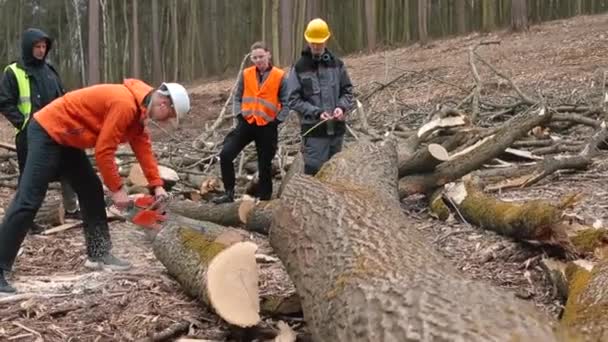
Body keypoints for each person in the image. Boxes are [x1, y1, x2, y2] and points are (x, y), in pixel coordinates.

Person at [0, 79, 191, 293]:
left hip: (67, 137)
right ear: (165, 105)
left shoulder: (138, 113)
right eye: (171, 118)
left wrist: (157, 185)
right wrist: (117, 189)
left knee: (90, 189)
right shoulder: (125, 104)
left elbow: (143, 148)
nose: (166, 122)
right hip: (48, 131)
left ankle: (98, 252)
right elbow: (103, 151)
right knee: (30, 198)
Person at [0, 28, 80, 233]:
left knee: (69, 170)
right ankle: (25, 220)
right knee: (31, 178)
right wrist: (23, 123)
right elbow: (5, 101)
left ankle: (72, 209)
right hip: (30, 135)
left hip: (58, 131)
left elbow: (62, 97)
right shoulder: (13, 71)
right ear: (28, 47)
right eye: (37, 46)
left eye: (44, 46)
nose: (41, 50)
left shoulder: (50, 70)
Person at [212, 41, 289, 204]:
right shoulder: (246, 74)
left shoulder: (279, 75)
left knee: (265, 165)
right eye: (255, 58)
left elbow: (287, 102)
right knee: (226, 154)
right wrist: (238, 114)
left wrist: (278, 120)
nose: (258, 60)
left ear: (268, 54)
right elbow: (237, 97)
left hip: (268, 126)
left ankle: (265, 201)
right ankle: (229, 193)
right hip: (246, 123)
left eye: (261, 56)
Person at [287, 18, 354, 175]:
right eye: (313, 42)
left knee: (337, 174)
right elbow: (293, 99)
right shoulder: (299, 67)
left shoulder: (337, 64)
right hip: (314, 132)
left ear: (326, 40)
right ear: (308, 41)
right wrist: (316, 112)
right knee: (314, 173)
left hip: (336, 131)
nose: (316, 46)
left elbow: (347, 90)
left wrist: (341, 107)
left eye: (320, 42)